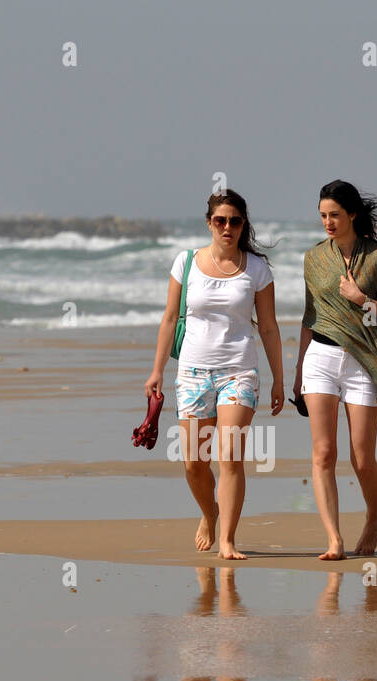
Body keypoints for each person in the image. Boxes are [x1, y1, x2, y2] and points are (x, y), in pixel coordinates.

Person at [144, 190, 284, 560]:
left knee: (230, 457)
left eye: (235, 221)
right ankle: (210, 514)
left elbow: (268, 328)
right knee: (193, 463)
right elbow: (170, 318)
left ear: (243, 225)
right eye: (220, 220)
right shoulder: (186, 262)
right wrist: (157, 370)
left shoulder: (256, 269)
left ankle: (228, 540)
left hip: (239, 372)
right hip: (191, 372)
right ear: (209, 223)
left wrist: (279, 379)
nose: (227, 227)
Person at [294, 180, 377, 560]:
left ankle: (373, 516)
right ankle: (334, 540)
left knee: (361, 457)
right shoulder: (313, 258)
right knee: (323, 454)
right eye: (323, 215)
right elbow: (310, 317)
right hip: (320, 359)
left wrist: (363, 300)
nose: (328, 221)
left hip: (364, 362)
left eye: (335, 215)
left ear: (352, 214)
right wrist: (297, 374)